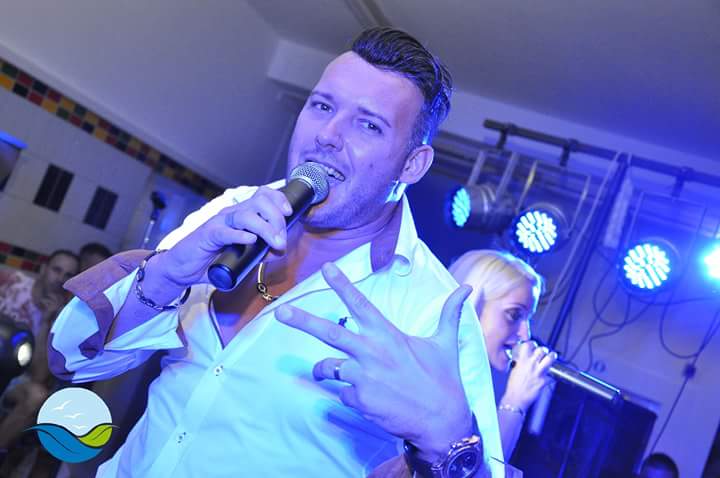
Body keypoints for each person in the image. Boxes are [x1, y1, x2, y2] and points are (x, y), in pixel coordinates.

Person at [49, 28, 503, 477]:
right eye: (322, 106)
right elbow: (73, 359)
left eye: (368, 124)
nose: (328, 135)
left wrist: (448, 441)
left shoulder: (433, 307)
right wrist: (166, 273)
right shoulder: (231, 210)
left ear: (412, 164)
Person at [448, 249, 557, 459]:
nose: (525, 334)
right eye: (514, 314)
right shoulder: (430, 379)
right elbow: (480, 471)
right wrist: (514, 402)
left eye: (528, 319)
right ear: (472, 306)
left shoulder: (476, 391)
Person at [0, 250, 79, 475]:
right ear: (44, 269)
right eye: (56, 270)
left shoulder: (63, 319)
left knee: (36, 395)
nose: (60, 279)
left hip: (14, 379)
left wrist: (46, 322)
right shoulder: (12, 284)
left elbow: (39, 376)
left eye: (68, 275)